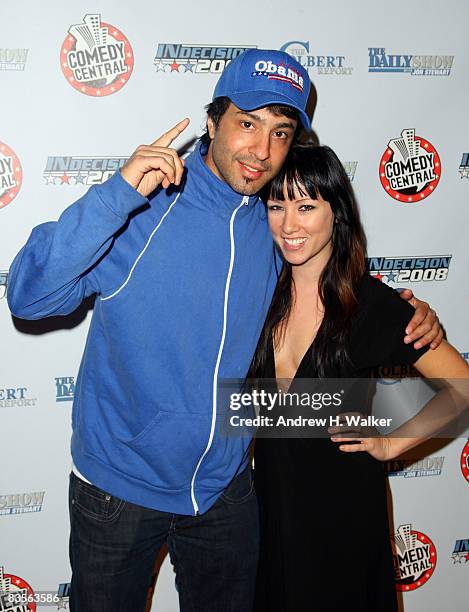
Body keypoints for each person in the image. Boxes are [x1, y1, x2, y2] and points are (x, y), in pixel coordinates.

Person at [7, 49, 441, 611]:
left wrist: (402, 313)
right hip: (120, 489)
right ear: (212, 122)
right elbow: (29, 296)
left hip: (226, 495)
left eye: (280, 132)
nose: (261, 150)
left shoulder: (276, 223)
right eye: (247, 123)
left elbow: (329, 274)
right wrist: (116, 194)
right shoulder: (142, 208)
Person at [249, 143, 469, 611]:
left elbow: (462, 386)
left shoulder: (370, 305)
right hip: (271, 514)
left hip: (344, 517)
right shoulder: (258, 296)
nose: (289, 224)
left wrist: (391, 443)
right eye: (277, 205)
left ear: (337, 213)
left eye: (306, 206)